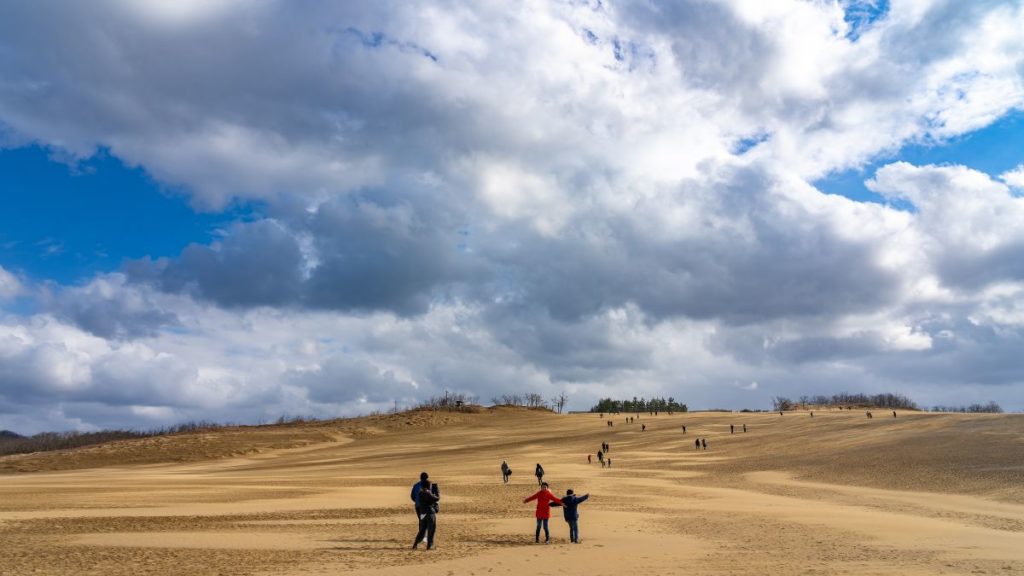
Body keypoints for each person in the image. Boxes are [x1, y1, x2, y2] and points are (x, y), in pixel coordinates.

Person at [411, 473, 440, 550]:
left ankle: (416, 543)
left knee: (422, 528)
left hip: (421, 510)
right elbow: (436, 498)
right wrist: (436, 490)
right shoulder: (427, 492)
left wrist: (419, 503)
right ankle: (429, 545)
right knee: (431, 529)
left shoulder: (419, 490)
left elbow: (412, 497)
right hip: (429, 512)